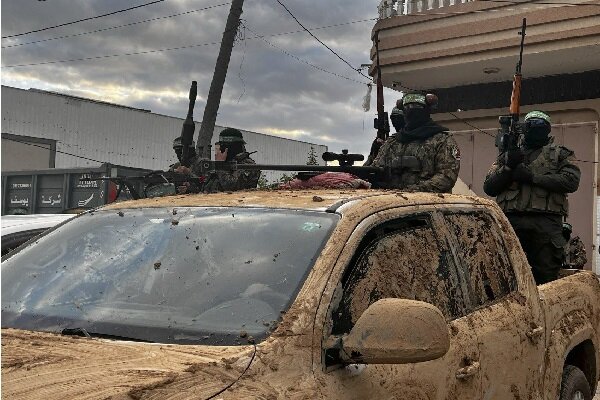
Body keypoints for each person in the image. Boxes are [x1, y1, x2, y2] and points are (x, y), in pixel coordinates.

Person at [483, 110, 581, 284]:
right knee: (508, 276)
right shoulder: (509, 154)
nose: (535, 128)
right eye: (531, 124)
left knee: (546, 278)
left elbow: (571, 181)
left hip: (546, 224)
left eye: (540, 125)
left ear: (548, 129)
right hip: (510, 222)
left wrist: (533, 178)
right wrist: (508, 168)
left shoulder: (561, 154)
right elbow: (489, 187)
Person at [370, 92, 461, 192]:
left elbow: (446, 177)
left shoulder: (442, 140)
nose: (411, 111)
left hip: (429, 200)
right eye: (407, 107)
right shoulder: (392, 142)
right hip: (390, 200)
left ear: (426, 110)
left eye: (416, 107)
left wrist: (412, 191)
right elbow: (375, 170)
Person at [191, 128, 261, 193]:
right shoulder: (226, 164)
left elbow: (230, 186)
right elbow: (206, 186)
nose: (220, 150)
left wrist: (220, 165)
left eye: (222, 146)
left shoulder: (248, 165)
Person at [364, 99, 404, 167]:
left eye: (398, 118)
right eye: (394, 119)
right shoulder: (391, 141)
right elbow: (370, 166)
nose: (395, 122)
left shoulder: (394, 142)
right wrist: (377, 149)